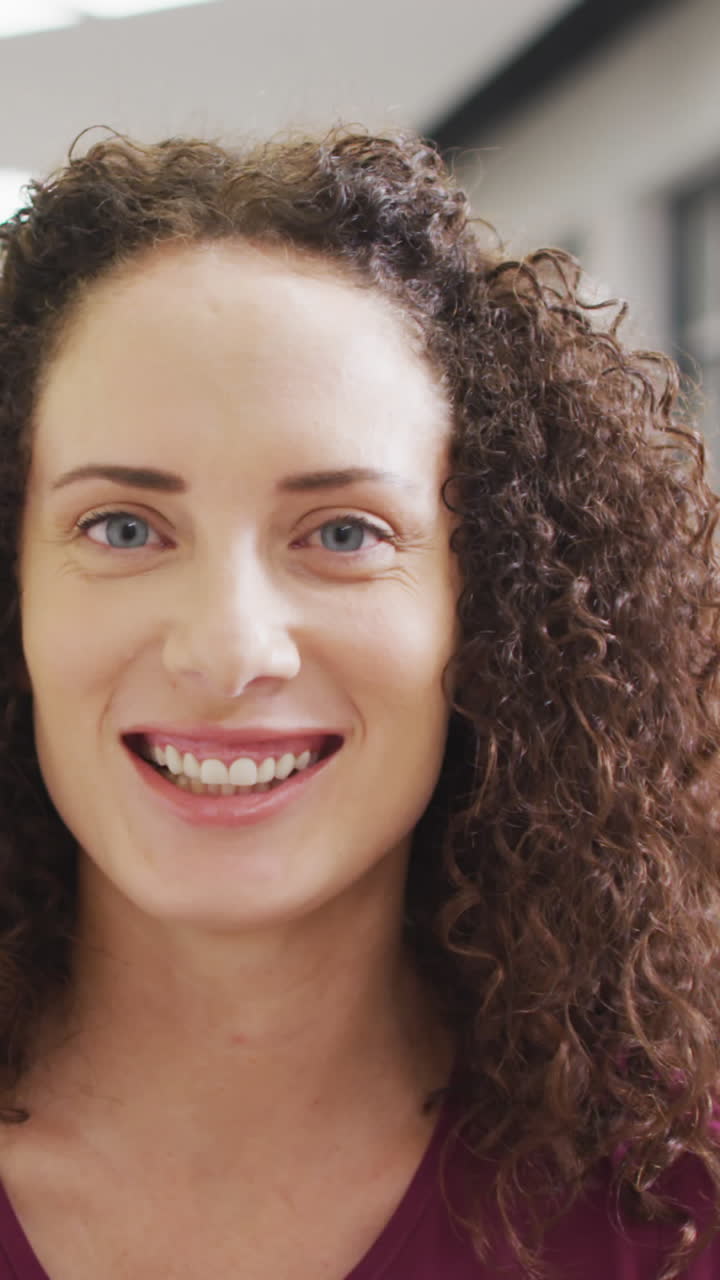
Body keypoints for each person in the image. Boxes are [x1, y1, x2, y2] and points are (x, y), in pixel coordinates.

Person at [0, 125, 717, 1280]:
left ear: (490, 603)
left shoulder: (677, 1206)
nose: (228, 650)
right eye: (123, 527)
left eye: (343, 532)